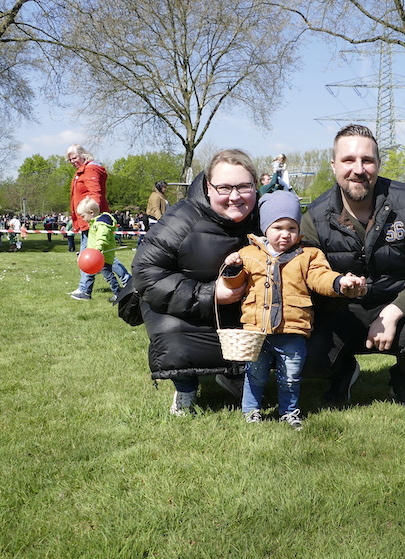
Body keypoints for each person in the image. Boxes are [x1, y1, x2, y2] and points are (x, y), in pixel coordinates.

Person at [301, 124, 405, 408]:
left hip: (400, 306)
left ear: (378, 164)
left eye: (367, 160)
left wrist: (393, 313)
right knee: (300, 350)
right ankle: (342, 371)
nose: (358, 169)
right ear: (334, 165)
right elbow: (307, 277)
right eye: (348, 160)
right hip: (341, 312)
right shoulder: (313, 217)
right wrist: (337, 286)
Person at [129, 149, 260, 416]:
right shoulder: (181, 219)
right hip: (185, 307)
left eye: (244, 186)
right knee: (173, 336)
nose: (235, 196)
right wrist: (210, 294)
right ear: (209, 187)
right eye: (224, 187)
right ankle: (186, 387)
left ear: (255, 186)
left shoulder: (266, 216)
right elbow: (146, 273)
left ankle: (235, 374)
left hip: (243, 308)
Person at [220, 191, 367, 429]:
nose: (285, 234)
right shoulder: (248, 254)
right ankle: (251, 411)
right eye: (278, 227)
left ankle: (289, 412)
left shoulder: (309, 255)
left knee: (290, 377)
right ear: (265, 228)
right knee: (255, 374)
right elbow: (234, 285)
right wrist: (232, 269)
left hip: (293, 330)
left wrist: (339, 282)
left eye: (292, 228)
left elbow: (320, 277)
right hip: (256, 332)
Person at [66, 144, 110, 300]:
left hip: (92, 220)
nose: (72, 161)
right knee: (93, 254)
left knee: (92, 255)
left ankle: (85, 290)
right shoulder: (82, 171)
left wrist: (93, 218)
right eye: (70, 160)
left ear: (83, 155)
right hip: (86, 219)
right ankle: (84, 288)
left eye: (74, 158)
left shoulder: (90, 170)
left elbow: (95, 194)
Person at [75, 196, 132, 303]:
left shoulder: (101, 224)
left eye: (83, 216)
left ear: (91, 213)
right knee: (90, 274)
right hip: (95, 257)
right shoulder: (95, 223)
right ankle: (86, 293)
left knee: (108, 276)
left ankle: (118, 293)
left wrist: (96, 250)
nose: (83, 219)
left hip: (102, 256)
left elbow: (102, 238)